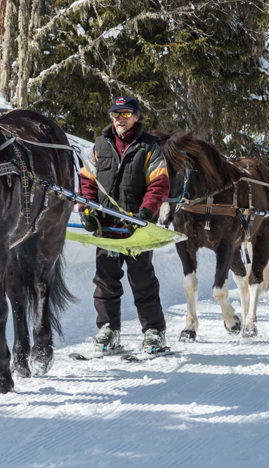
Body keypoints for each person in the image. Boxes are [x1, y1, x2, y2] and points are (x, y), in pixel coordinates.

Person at [79, 95, 171, 353]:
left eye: (126, 113)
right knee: (105, 280)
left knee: (142, 280)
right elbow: (87, 180)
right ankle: (108, 330)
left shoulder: (149, 146)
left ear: (137, 116)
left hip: (136, 228)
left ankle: (154, 331)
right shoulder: (100, 145)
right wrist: (86, 209)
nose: (120, 119)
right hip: (106, 227)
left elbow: (159, 183)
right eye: (116, 114)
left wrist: (146, 212)